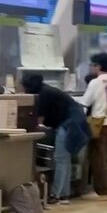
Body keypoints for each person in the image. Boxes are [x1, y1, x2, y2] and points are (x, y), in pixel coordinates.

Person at [21, 74, 89, 205]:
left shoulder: (43, 95)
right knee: (65, 159)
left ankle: (55, 194)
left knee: (60, 158)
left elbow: (38, 121)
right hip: (75, 121)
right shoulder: (46, 90)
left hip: (69, 124)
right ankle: (64, 194)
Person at [76, 52, 107, 200]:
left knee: (97, 157)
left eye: (92, 65)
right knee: (105, 156)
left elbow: (85, 102)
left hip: (99, 124)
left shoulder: (95, 82)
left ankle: (104, 191)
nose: (91, 67)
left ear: (98, 66)